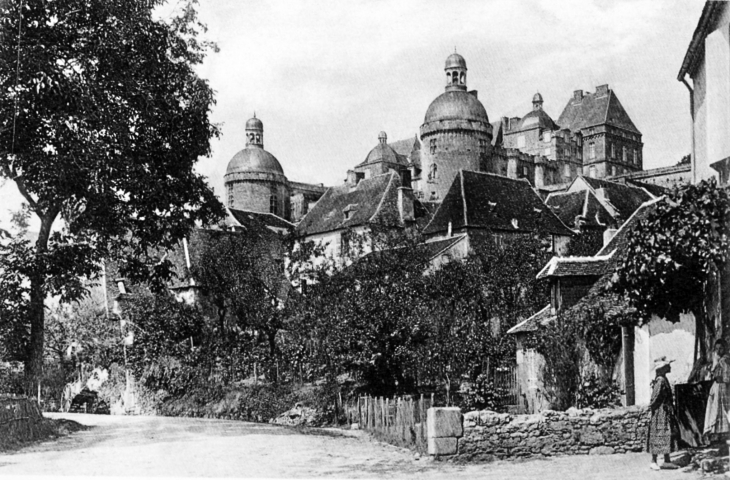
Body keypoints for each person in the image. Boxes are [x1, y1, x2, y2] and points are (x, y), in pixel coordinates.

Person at [647, 357, 678, 470]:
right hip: (660, 412)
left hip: (665, 411)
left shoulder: (663, 379)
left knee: (666, 435)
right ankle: (653, 461)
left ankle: (667, 460)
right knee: (658, 435)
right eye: (667, 365)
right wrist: (652, 409)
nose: (670, 367)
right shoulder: (660, 381)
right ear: (663, 368)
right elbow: (655, 398)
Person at [704, 339, 730, 443]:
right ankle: (718, 435)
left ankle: (724, 435)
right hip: (717, 386)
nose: (719, 351)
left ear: (725, 348)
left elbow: (727, 376)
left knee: (723, 409)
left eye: (721, 348)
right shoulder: (717, 359)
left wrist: (722, 379)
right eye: (717, 349)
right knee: (715, 408)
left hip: (723, 387)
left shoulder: (725, 360)